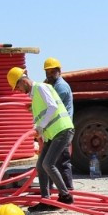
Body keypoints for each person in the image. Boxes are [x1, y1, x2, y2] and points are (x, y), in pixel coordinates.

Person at [7, 66, 75, 208]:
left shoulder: (41, 88)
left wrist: (41, 126)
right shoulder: (34, 96)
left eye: (17, 87)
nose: (18, 91)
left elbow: (52, 107)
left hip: (62, 129)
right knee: (40, 165)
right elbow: (41, 118)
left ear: (24, 81)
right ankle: (45, 200)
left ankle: (65, 195)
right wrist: (41, 135)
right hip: (52, 134)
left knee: (48, 164)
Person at [40, 57, 74, 199]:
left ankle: (67, 189)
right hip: (56, 129)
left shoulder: (61, 87)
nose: (49, 75)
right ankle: (56, 188)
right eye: (47, 72)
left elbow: (51, 106)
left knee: (61, 160)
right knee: (53, 161)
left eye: (52, 72)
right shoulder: (53, 85)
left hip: (62, 128)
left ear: (59, 71)